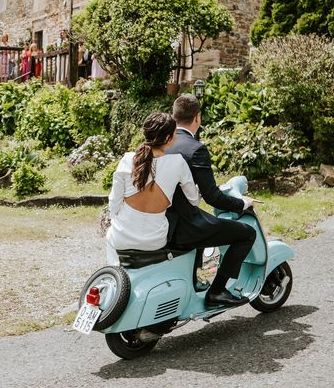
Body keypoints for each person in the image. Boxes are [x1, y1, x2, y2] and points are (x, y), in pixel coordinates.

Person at [166, 94, 257, 307]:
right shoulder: (195, 149)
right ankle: (217, 291)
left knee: (205, 224)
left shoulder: (162, 144)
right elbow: (213, 197)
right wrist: (242, 203)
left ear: (174, 115)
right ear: (197, 118)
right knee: (246, 233)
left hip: (162, 222)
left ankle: (196, 282)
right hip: (185, 226)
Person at [106, 112, 200, 266]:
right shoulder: (178, 162)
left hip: (122, 237)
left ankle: (116, 276)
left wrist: (117, 220)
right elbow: (194, 200)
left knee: (111, 236)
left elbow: (114, 204)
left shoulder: (128, 159)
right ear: (168, 138)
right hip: (155, 240)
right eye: (175, 134)